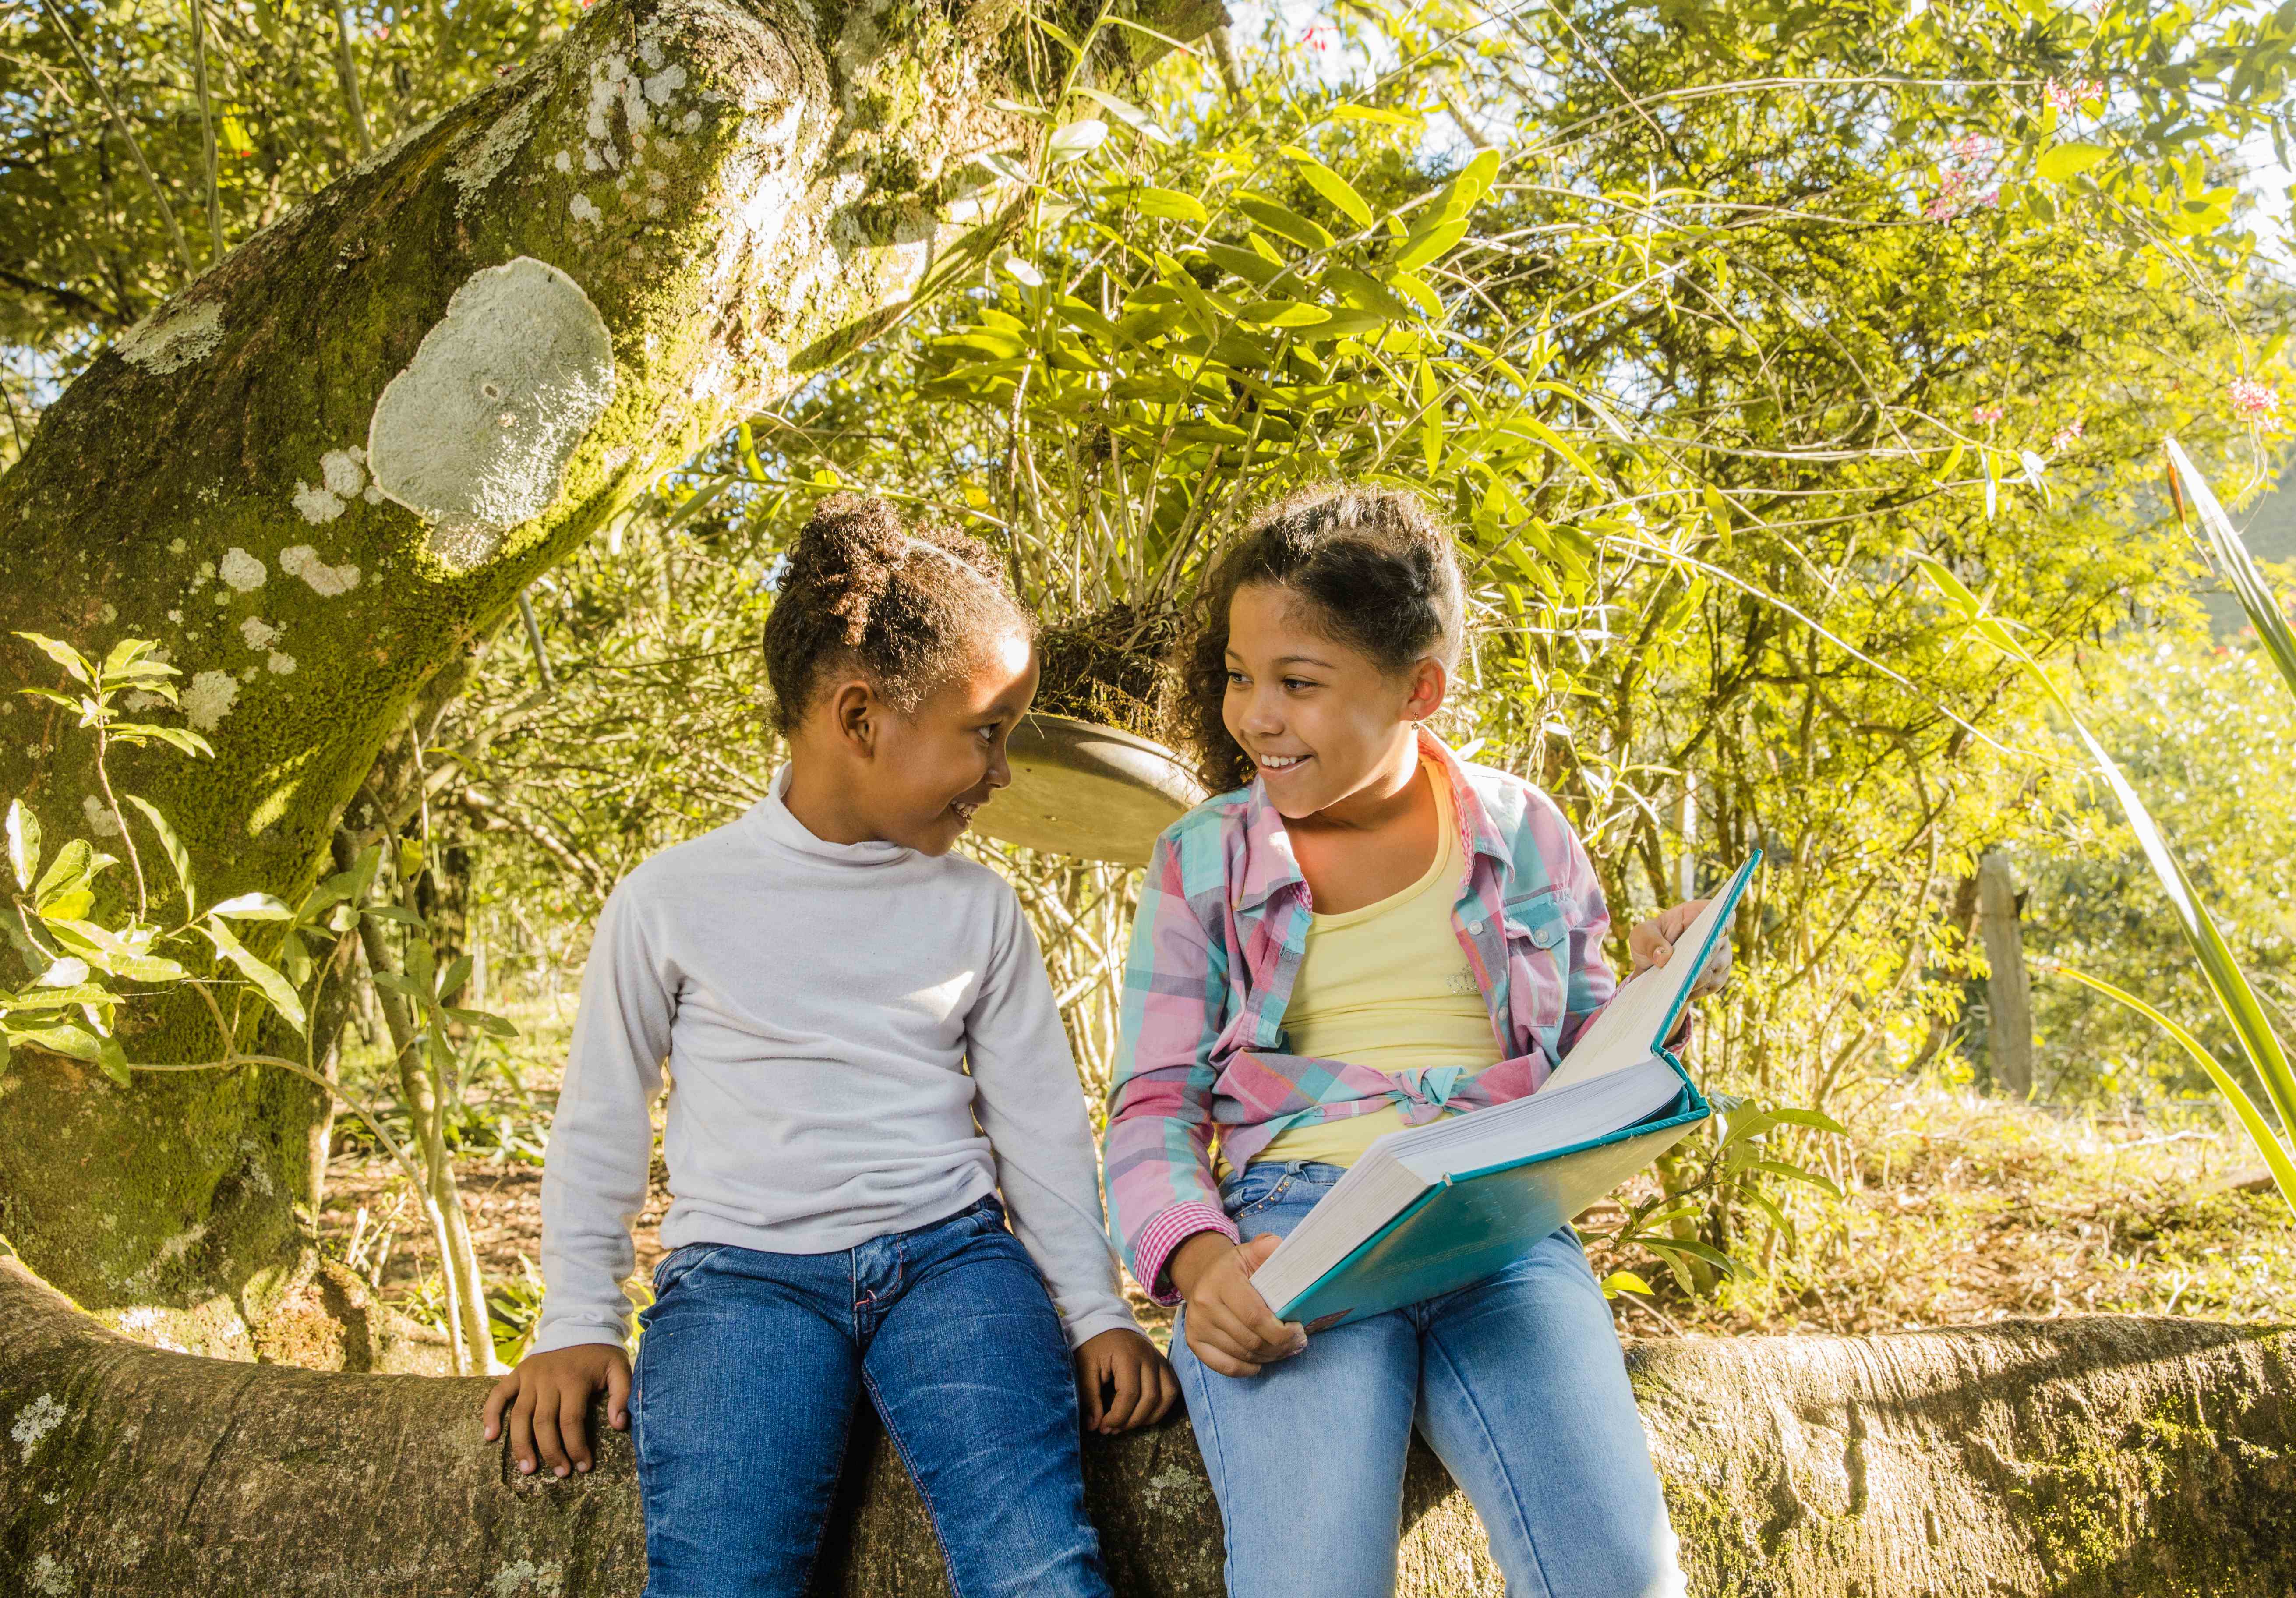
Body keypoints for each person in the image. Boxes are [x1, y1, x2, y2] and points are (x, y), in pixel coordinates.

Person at [484, 492, 1176, 1598]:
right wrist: (576, 1321)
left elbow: (1040, 1126)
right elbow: (601, 1120)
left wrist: (1095, 1313)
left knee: (1039, 1565)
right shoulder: (673, 899)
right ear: (861, 718)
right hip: (740, 1284)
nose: (1003, 771)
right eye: (987, 732)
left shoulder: (978, 911)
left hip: (954, 1267)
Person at [1105, 484, 1724, 1598]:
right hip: (1295, 1237)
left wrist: (1662, 985)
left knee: (1619, 1571)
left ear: (1418, 689)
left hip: (1501, 1226)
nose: (1256, 716)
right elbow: (1153, 1104)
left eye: (1299, 683)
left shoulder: (1523, 831)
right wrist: (1203, 1267)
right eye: (1241, 676)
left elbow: (1595, 1066)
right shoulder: (1203, 857)